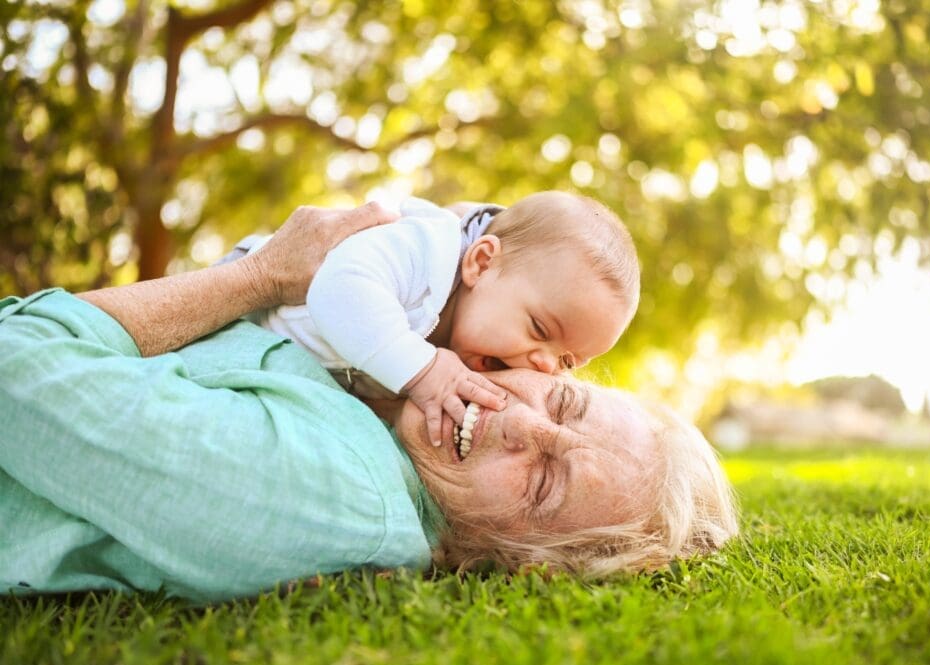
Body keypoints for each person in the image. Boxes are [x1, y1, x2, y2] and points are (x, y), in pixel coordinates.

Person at [0, 203, 737, 604]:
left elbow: (12, 363)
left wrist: (260, 277)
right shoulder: (382, 381)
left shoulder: (333, 492)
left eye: (543, 479)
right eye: (564, 403)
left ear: (523, 562)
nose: (517, 415)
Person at [233, 192, 641, 447]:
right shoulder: (425, 249)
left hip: (282, 369)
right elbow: (338, 288)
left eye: (567, 362)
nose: (546, 364)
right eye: (539, 330)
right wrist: (422, 370)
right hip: (245, 307)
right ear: (481, 264)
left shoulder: (472, 348)